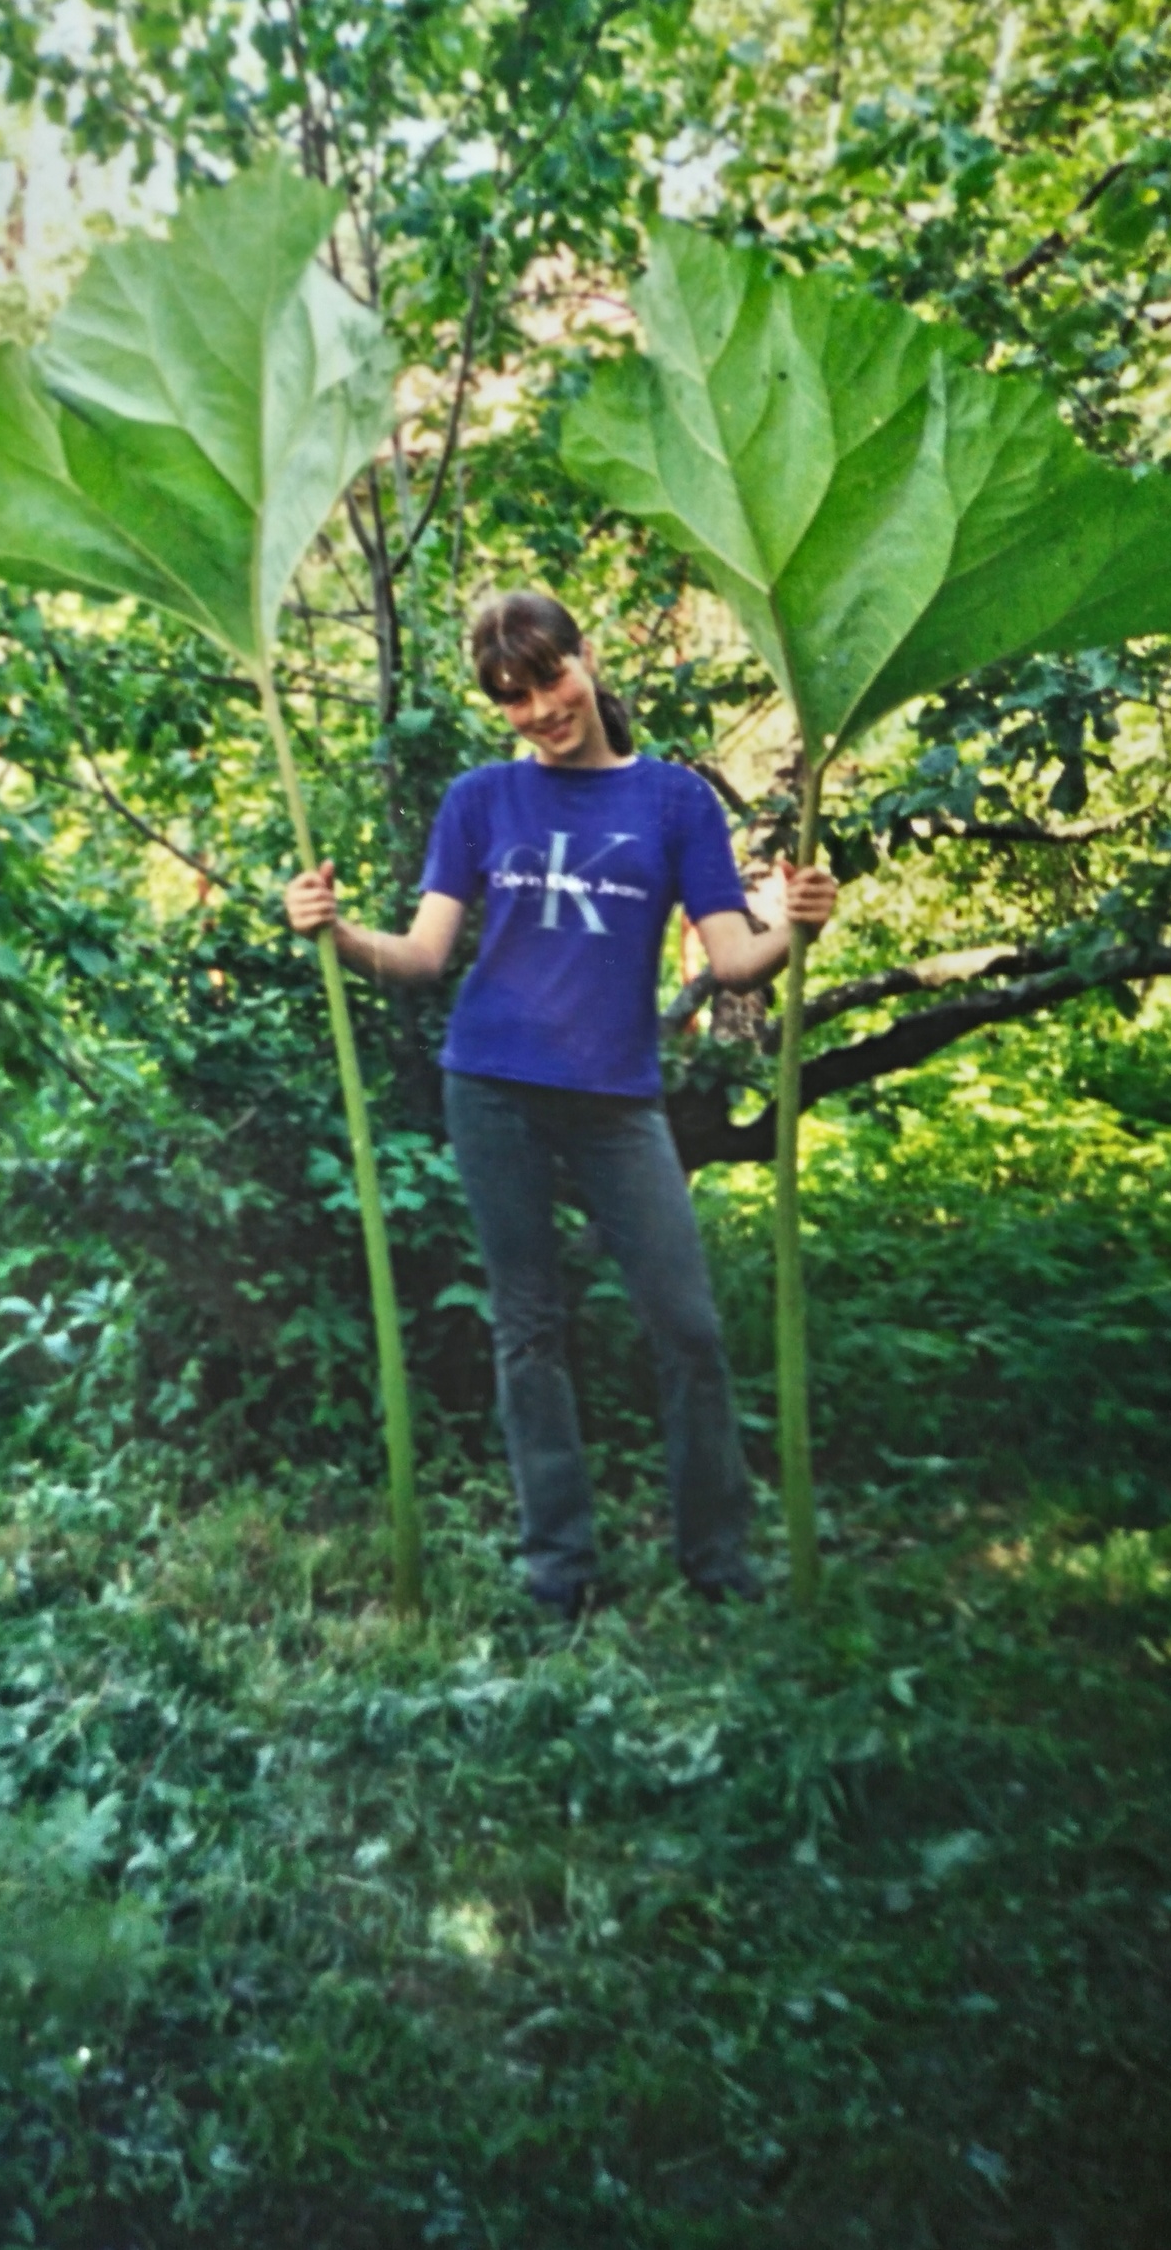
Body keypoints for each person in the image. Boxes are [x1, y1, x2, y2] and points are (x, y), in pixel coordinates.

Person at [285, 591, 837, 1618]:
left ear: (589, 658)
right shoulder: (481, 799)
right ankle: (558, 1570)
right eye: (511, 696)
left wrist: (800, 925)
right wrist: (336, 931)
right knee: (528, 1327)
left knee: (688, 1327)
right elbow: (420, 954)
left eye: (549, 679)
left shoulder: (674, 801)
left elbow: (731, 959)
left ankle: (716, 1564)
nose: (539, 708)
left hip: (618, 1101)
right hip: (490, 1088)